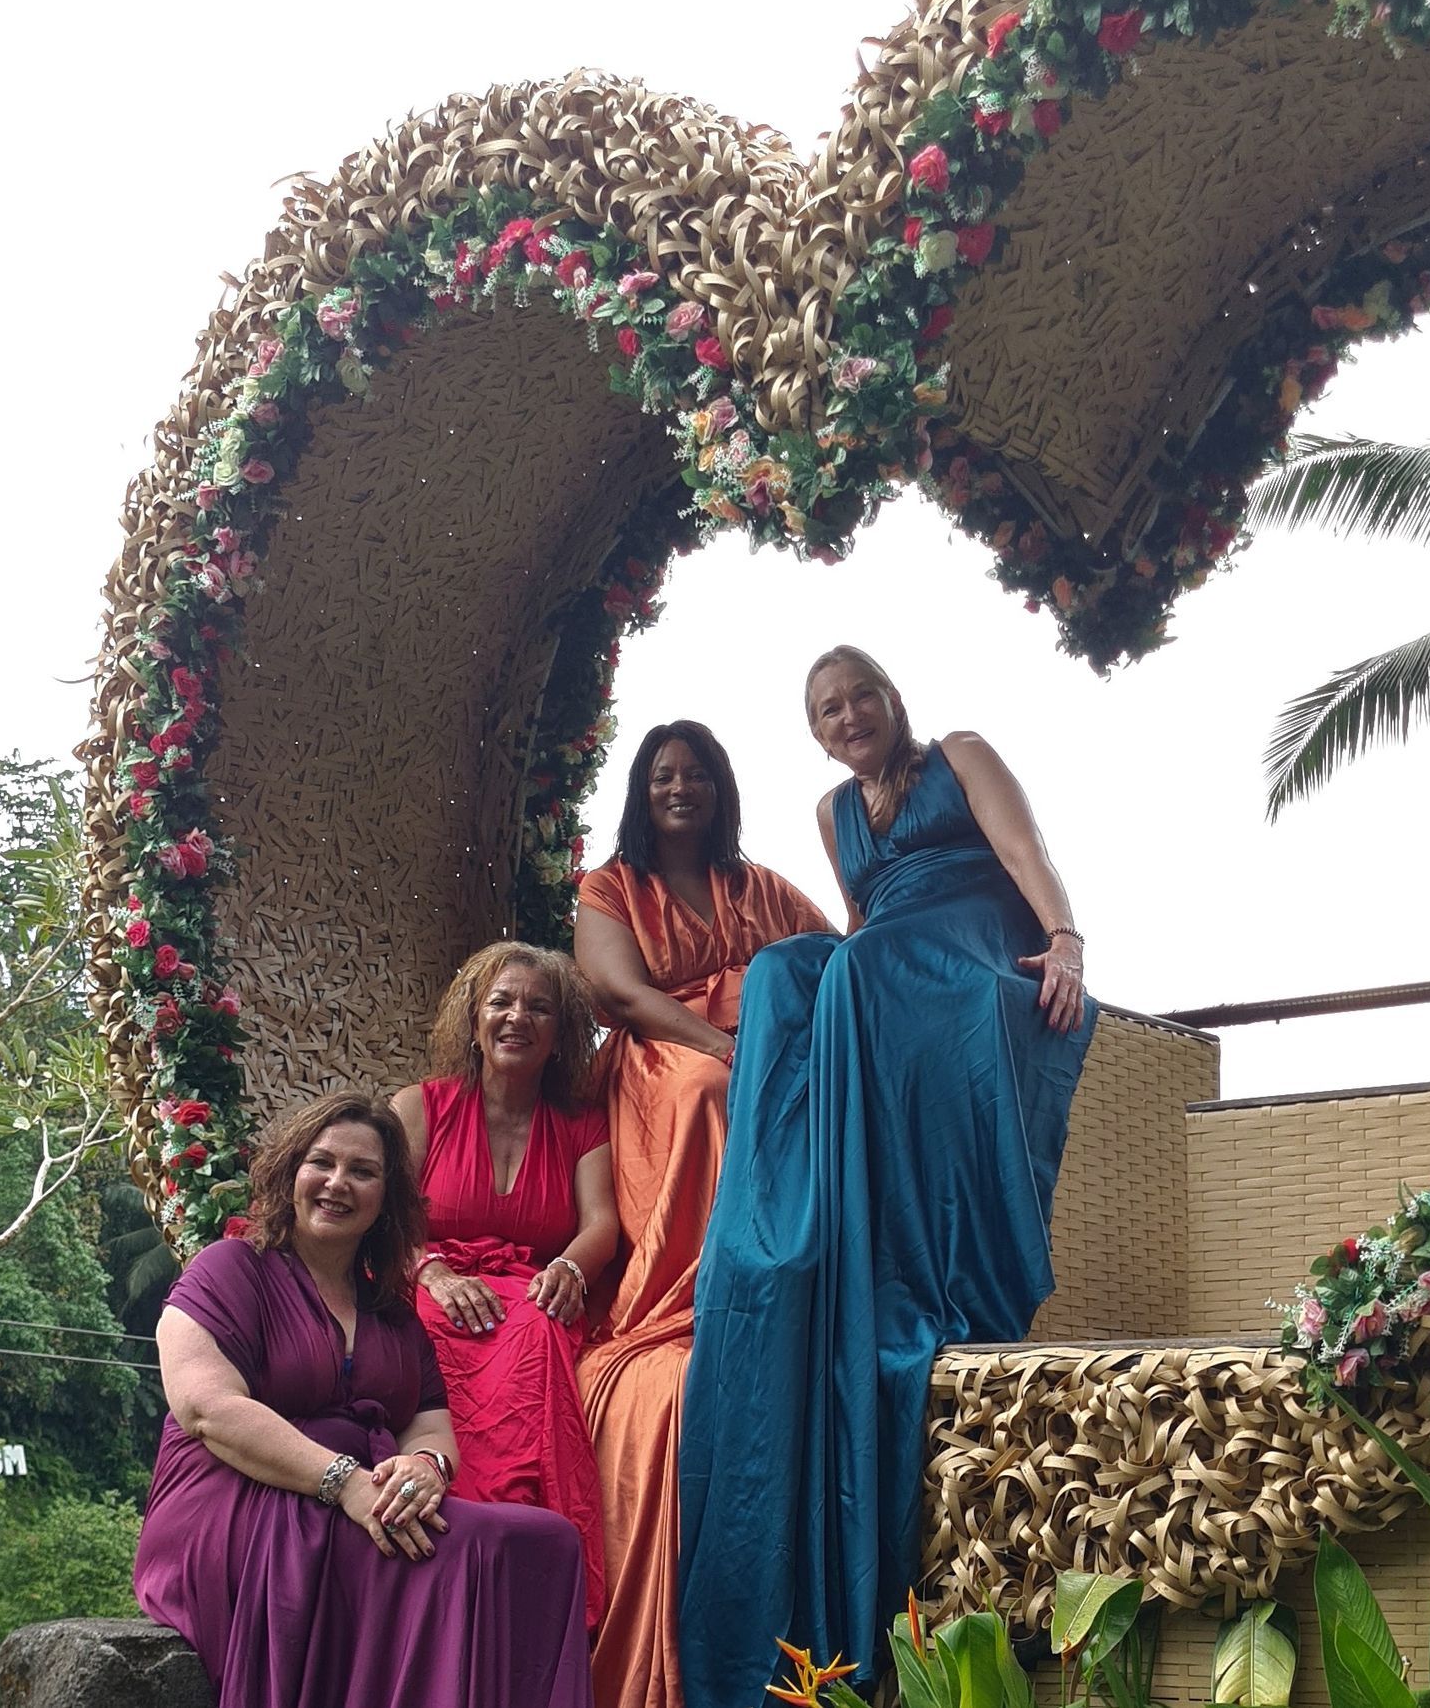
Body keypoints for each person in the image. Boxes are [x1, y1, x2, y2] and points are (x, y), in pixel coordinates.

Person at [677, 647, 1096, 1708]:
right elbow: (858, 921)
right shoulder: (833, 810)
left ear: (889, 699)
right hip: (888, 953)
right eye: (829, 708)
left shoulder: (959, 753)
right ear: (816, 731)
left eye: (861, 694)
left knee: (853, 969)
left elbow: (1021, 846)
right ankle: (782, 1211)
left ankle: (888, 1230)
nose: (849, 714)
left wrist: (1064, 938)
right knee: (785, 967)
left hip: (977, 938)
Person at [135, 1089, 593, 1708]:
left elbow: (430, 1429)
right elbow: (206, 1410)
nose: (337, 1183)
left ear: (386, 1201)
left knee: (549, 1543)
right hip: (240, 1498)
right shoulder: (229, 1269)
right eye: (321, 1163)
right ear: (291, 1171)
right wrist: (343, 1482)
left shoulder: (394, 1315)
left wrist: (424, 1469)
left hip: (361, 1501)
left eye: (363, 1171)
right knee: (459, 1555)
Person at [575, 720, 831, 1708]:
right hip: (661, 1062)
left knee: (813, 1101)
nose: (679, 787)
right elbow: (618, 990)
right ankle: (684, 1283)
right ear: (642, 791)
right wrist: (721, 1045)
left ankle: (788, 1252)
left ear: (721, 787)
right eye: (662, 774)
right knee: (703, 1096)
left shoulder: (757, 885)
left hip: (757, 1053)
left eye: (696, 774)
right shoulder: (612, 888)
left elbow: (835, 953)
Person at [390, 943, 617, 1633]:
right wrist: (433, 1272)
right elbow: (386, 1216)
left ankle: (526, 1543)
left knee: (536, 1327)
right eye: (502, 1002)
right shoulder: (418, 1107)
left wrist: (570, 1268)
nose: (518, 1017)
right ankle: (441, 1531)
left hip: (531, 1291)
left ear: (561, 1034)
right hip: (426, 1278)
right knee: (429, 1328)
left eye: (539, 1008)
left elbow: (601, 1221)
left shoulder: (581, 1124)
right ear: (474, 1018)